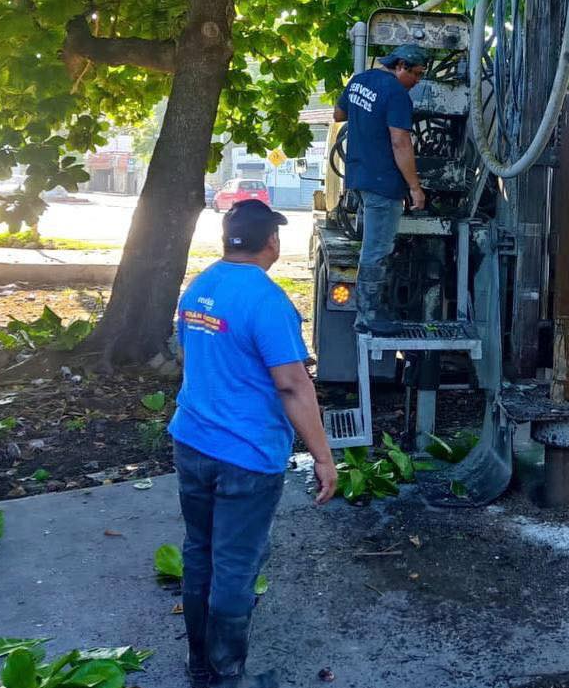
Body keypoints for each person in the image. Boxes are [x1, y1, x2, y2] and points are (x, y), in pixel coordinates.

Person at [169, 200, 337, 688]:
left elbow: (191, 353)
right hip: (246, 456)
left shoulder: (199, 288)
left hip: (192, 442)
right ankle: (225, 676)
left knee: (199, 552)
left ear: (227, 240)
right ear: (272, 243)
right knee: (236, 568)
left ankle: (199, 664)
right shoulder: (268, 301)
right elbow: (292, 384)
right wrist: (324, 458)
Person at [333, 44, 428, 334]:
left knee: (373, 245)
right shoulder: (396, 94)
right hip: (383, 184)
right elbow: (400, 142)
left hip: (359, 177)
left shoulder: (360, 80)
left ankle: (371, 311)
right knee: (377, 249)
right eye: (416, 74)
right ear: (400, 65)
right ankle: (368, 316)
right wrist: (415, 187)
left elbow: (338, 114)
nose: (417, 82)